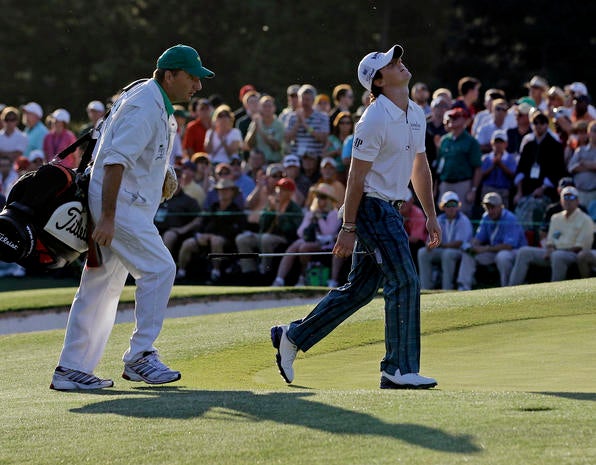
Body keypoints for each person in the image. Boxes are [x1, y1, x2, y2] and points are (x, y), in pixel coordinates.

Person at [270, 43, 441, 389]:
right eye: (392, 63)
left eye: (398, 59)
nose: (400, 63)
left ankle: (293, 336)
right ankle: (397, 369)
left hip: (392, 208)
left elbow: (419, 166)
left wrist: (431, 215)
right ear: (378, 81)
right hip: (371, 208)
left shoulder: (415, 112)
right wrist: (348, 227)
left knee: (360, 290)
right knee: (405, 280)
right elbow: (355, 178)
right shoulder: (373, 119)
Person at [50, 44, 214, 391]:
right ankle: (140, 356)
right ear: (169, 75)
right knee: (160, 268)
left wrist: (163, 173)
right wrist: (108, 218)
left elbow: (131, 153)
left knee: (101, 288)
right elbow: (114, 163)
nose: (197, 86)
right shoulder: (144, 105)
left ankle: (71, 369)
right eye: (192, 78)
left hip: (122, 204)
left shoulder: (151, 98)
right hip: (119, 206)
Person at [509, 186, 594, 285]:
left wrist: (555, 250)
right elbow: (552, 239)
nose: (568, 201)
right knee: (524, 252)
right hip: (553, 252)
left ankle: (555, 289)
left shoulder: (586, 220)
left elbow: (580, 247)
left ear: (577, 201)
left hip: (573, 254)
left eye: (571, 197)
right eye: (565, 197)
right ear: (561, 200)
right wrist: (550, 248)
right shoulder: (556, 218)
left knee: (558, 255)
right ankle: (512, 287)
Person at [176, 178, 247, 283]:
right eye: (220, 190)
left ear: (232, 192)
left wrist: (214, 236)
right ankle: (181, 272)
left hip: (226, 242)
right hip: (205, 239)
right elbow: (202, 225)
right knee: (188, 243)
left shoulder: (236, 210)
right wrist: (199, 235)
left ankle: (215, 272)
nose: (223, 192)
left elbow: (236, 230)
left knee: (216, 241)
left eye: (226, 190)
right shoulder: (212, 207)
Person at [271, 183, 340, 287]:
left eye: (323, 197)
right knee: (293, 247)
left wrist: (320, 219)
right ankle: (279, 279)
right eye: (317, 196)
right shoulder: (311, 212)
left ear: (329, 200)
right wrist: (310, 220)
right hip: (311, 240)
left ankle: (303, 277)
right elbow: (300, 232)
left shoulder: (334, 214)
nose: (319, 199)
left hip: (327, 243)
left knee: (304, 247)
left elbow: (328, 232)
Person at [235, 176, 303, 278]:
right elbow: (262, 225)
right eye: (278, 189)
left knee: (266, 239)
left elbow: (290, 231)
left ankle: (265, 271)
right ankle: (249, 272)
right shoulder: (271, 203)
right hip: (265, 235)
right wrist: (270, 212)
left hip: (284, 238)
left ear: (290, 193)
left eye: (283, 190)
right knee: (242, 239)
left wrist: (279, 215)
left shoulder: (295, 209)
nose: (279, 192)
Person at [458, 192, 527, 289]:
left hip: (515, 251)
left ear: (500, 206)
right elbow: (479, 238)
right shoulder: (486, 216)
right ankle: (464, 287)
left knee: (502, 256)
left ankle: (507, 287)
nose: (490, 211)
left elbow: (509, 246)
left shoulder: (510, 218)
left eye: (492, 207)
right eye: (487, 208)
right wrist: (471, 246)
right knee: (469, 253)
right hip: (493, 250)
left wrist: (484, 248)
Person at [417, 191, 473, 290]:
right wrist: (429, 245)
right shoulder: (439, 219)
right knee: (422, 252)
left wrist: (439, 244)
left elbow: (458, 243)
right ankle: (425, 288)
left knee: (448, 254)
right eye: (448, 205)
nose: (451, 208)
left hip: (459, 251)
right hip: (442, 249)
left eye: (454, 204)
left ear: (458, 206)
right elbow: (430, 240)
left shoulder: (463, 220)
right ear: (443, 207)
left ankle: (447, 288)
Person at [435, 107, 482, 217]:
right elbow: (439, 166)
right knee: (442, 215)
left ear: (464, 120)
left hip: (463, 184)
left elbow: (478, 168)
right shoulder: (444, 140)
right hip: (445, 183)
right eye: (451, 117)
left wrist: (473, 190)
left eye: (456, 117)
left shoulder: (471, 141)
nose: (452, 119)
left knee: (463, 214)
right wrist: (435, 187)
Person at [284, 84, 329, 160]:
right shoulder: (292, 117)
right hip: (296, 158)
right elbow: (287, 139)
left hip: (315, 158)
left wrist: (305, 124)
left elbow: (323, 138)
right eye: (303, 99)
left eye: (307, 100)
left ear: (313, 101)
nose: (304, 103)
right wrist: (298, 123)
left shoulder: (322, 117)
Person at [479, 129, 517, 208]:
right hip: (488, 189)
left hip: (503, 190)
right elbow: (481, 176)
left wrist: (500, 164)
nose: (498, 145)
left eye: (501, 142)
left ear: (506, 144)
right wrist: (493, 165)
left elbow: (513, 175)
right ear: (492, 143)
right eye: (496, 142)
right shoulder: (486, 158)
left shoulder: (510, 158)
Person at [244, 94, 285, 163]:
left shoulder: (279, 125)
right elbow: (248, 145)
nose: (267, 109)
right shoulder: (255, 123)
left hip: (274, 162)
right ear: (260, 108)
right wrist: (255, 127)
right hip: (258, 163)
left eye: (269, 106)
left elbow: (276, 147)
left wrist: (260, 130)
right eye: (264, 106)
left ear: (274, 108)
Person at [567, 120, 596, 207]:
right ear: (589, 133)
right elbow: (571, 167)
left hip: (594, 193)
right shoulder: (580, 150)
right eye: (594, 130)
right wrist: (591, 166)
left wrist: (583, 163)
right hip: (579, 192)